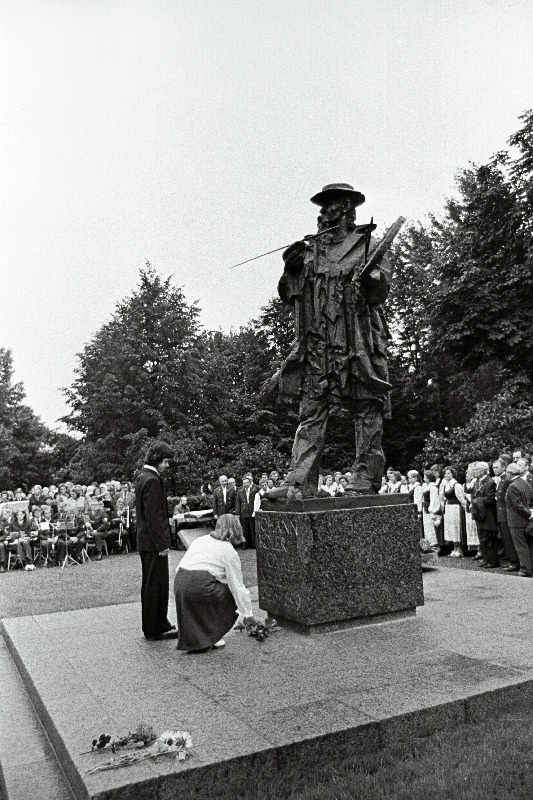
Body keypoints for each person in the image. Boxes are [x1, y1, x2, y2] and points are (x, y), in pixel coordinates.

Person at [274, 183, 395, 495]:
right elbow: (289, 294)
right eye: (323, 206)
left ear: (347, 209)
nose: (326, 212)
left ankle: (364, 480)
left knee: (368, 409)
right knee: (310, 412)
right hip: (319, 345)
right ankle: (300, 483)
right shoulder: (311, 253)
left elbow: (380, 291)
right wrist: (291, 270)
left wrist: (372, 279)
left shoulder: (368, 245)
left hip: (360, 343)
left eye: (333, 205)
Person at [174, 515, 258, 653]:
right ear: (236, 529)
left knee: (202, 596)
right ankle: (212, 635)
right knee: (228, 593)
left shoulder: (200, 540)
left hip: (180, 582)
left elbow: (183, 566)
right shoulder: (229, 551)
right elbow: (237, 587)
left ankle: (199, 638)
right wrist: (248, 614)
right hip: (200, 586)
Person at [136, 442, 178, 640]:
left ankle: (155, 623)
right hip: (153, 542)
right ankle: (156, 626)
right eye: (166, 461)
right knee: (156, 584)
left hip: (146, 541)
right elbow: (153, 516)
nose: (167, 466)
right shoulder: (152, 480)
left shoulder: (143, 476)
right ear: (156, 459)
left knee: (151, 583)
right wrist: (162, 544)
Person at [506, 460, 533, 577]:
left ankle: (525, 569)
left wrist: (529, 513)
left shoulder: (512, 486)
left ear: (510, 473)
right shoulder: (525, 483)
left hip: (516, 520)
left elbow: (518, 505)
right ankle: (529, 567)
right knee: (528, 545)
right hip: (526, 519)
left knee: (520, 545)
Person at [470, 461, 499, 568]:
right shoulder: (477, 482)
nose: (474, 472)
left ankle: (493, 561)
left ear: (482, 470)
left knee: (489, 538)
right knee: (482, 538)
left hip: (488, 515)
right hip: (479, 514)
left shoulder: (490, 482)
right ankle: (485, 559)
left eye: (476, 470)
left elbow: (489, 499)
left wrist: (476, 500)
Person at [440, 467, 465, 557]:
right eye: (445, 473)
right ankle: (454, 548)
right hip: (449, 507)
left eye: (449, 473)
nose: (446, 475)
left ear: (453, 474)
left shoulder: (456, 485)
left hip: (455, 507)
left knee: (456, 527)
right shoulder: (446, 485)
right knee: (450, 527)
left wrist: (464, 506)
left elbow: (461, 498)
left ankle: (459, 549)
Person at [235, 475, 256, 548]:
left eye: (247, 483)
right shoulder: (240, 491)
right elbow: (238, 502)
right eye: (244, 483)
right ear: (242, 484)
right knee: (244, 529)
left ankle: (253, 544)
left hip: (252, 512)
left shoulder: (254, 490)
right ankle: (245, 544)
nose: (246, 484)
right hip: (243, 512)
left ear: (250, 483)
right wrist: (237, 513)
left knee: (252, 529)